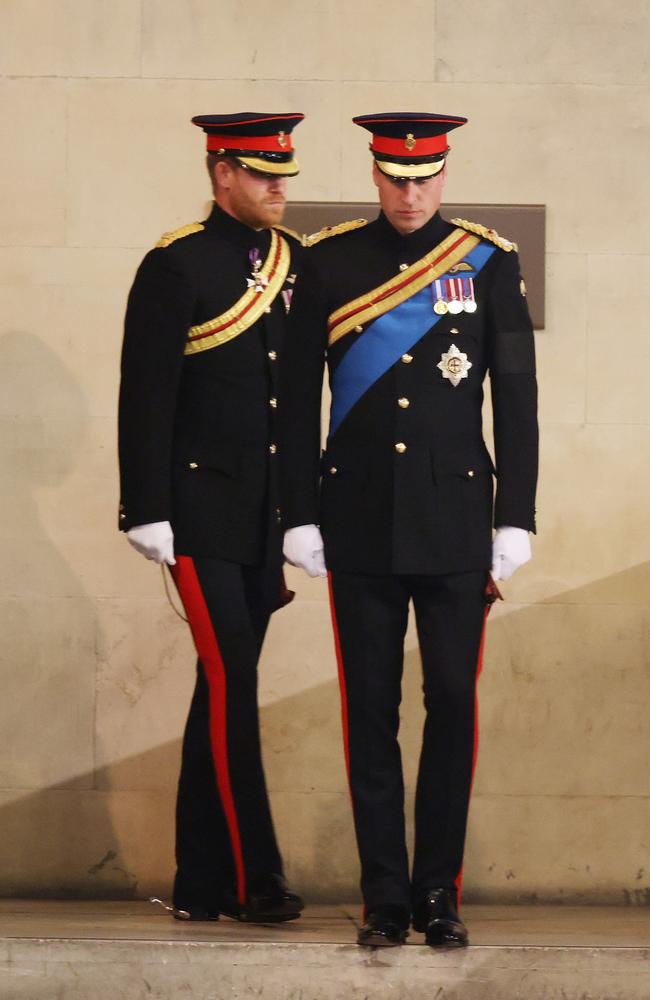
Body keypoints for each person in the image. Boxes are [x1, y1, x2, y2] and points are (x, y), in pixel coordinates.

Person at [279, 112, 538, 947]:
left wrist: (517, 516)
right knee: (370, 715)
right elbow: (293, 403)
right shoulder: (328, 262)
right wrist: (300, 512)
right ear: (374, 175)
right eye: (395, 178)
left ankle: (439, 895)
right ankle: (386, 896)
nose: (409, 193)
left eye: (424, 178)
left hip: (458, 525)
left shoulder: (488, 262)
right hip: (357, 520)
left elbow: (518, 402)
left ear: (445, 174)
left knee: (453, 708)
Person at [118, 112, 306, 923]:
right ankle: (256, 874)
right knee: (233, 679)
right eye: (262, 172)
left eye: (284, 173)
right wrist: (145, 507)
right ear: (220, 171)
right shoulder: (175, 265)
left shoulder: (295, 263)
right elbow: (146, 393)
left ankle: (202, 880)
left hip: (264, 521)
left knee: (218, 691)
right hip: (196, 514)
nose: (278, 187)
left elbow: (296, 400)